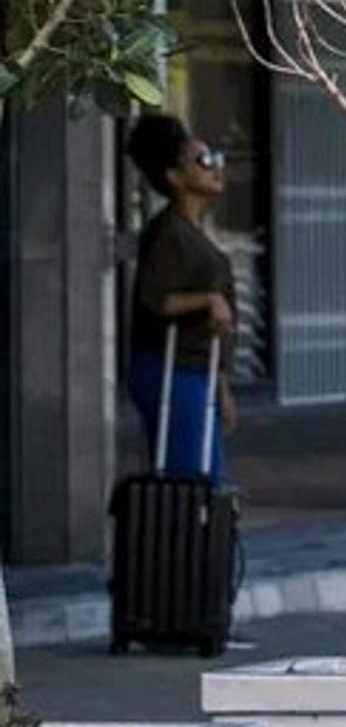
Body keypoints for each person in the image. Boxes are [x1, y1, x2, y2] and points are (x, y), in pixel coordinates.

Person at [124, 114, 236, 480]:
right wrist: (208, 300)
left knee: (208, 473)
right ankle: (182, 538)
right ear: (174, 177)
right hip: (170, 366)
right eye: (202, 161)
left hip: (196, 368)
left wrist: (221, 386)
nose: (214, 168)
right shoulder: (168, 232)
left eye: (215, 158)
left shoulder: (195, 229)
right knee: (191, 477)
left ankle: (203, 538)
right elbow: (155, 298)